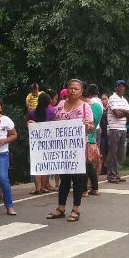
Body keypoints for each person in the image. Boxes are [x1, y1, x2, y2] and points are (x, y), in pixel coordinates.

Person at [46, 79, 94, 222]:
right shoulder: (60, 105)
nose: (73, 91)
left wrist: (87, 126)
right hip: (62, 148)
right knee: (64, 179)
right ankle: (60, 208)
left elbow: (91, 127)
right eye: (71, 88)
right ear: (67, 89)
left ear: (81, 91)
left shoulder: (86, 107)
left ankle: (75, 209)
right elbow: (52, 123)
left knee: (78, 179)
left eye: (76, 89)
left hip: (78, 149)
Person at [28, 92, 57, 194]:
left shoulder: (32, 112)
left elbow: (29, 124)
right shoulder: (53, 111)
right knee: (45, 164)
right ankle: (43, 187)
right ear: (49, 101)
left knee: (37, 164)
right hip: (48, 141)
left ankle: (37, 188)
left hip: (35, 142)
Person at [106, 79, 129, 183]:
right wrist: (126, 112)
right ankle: (111, 175)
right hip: (113, 128)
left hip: (123, 128)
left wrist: (125, 112)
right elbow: (117, 114)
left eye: (123, 86)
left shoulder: (124, 100)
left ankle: (116, 173)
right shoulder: (112, 98)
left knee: (120, 153)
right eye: (119, 86)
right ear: (115, 87)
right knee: (113, 153)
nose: (121, 88)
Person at [82, 83, 103, 196]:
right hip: (93, 137)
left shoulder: (84, 106)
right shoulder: (98, 107)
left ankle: (84, 189)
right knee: (89, 164)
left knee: (84, 165)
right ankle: (95, 188)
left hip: (85, 137)